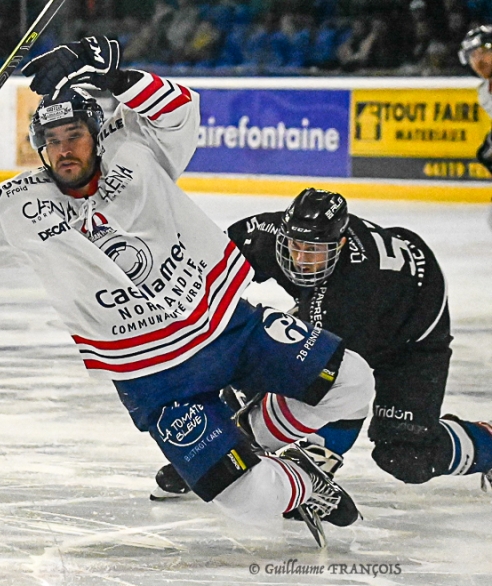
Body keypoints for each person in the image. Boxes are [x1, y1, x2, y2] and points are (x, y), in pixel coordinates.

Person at [0, 36, 375, 546]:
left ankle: (255, 435)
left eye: (74, 133)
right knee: (251, 505)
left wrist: (111, 76)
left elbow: (181, 109)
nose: (64, 148)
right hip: (155, 378)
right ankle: (300, 484)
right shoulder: (20, 204)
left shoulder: (137, 151)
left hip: (227, 326)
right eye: (52, 139)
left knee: (354, 381)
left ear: (96, 133)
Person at [152, 188, 492, 500]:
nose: (300, 259)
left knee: (405, 456)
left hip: (413, 326)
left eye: (313, 251)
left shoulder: (356, 295)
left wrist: (310, 456)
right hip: (343, 306)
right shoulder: (264, 235)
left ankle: (487, 444)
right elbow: (206, 273)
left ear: (340, 245)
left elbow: (344, 394)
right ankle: (219, 445)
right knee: (258, 365)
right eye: (295, 246)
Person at [459, 25, 492, 175]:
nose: (478, 61)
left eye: (485, 51)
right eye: (472, 55)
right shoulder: (484, 92)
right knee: (486, 154)